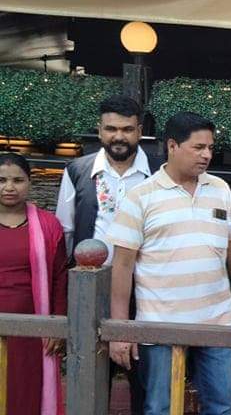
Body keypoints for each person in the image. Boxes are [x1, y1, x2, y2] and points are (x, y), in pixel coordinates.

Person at [106, 112, 231, 415]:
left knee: (221, 406)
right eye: (198, 147)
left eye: (210, 148)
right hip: (159, 324)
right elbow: (122, 266)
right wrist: (121, 329)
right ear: (172, 146)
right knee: (159, 408)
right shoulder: (141, 196)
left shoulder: (219, 188)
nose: (207, 155)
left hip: (217, 322)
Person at [55, 94, 156, 413]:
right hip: (92, 289)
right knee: (92, 376)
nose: (118, 136)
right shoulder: (78, 170)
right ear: (99, 130)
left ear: (139, 132)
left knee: (145, 379)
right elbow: (66, 233)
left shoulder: (158, 172)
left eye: (127, 129)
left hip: (145, 290)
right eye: (111, 129)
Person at [0, 153, 67, 415]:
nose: (9, 187)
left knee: (26, 392)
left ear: (29, 182)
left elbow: (60, 277)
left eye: (18, 180)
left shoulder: (49, 225)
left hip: (33, 328)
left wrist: (57, 324)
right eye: (2, 180)